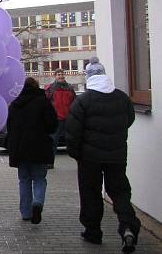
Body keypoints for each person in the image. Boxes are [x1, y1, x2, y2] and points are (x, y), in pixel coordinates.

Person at [66, 57, 140, 253]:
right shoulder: (122, 98)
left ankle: (93, 231)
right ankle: (128, 227)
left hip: (89, 158)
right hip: (116, 155)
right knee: (120, 191)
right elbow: (129, 120)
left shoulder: (83, 101)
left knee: (90, 193)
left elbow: (72, 132)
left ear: (89, 77)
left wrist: (76, 154)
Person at [7, 77, 58, 224]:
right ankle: (37, 203)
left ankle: (25, 212)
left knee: (24, 180)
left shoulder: (15, 105)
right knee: (40, 179)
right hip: (40, 147)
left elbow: (10, 128)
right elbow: (53, 125)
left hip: (21, 149)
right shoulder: (43, 102)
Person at [44, 68, 77, 169]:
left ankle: (80, 162)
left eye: (62, 74)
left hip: (69, 119)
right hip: (56, 119)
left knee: (73, 141)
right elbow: (46, 104)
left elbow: (75, 103)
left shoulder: (70, 88)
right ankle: (50, 162)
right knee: (53, 141)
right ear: (55, 76)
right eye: (58, 74)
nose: (61, 76)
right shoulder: (50, 89)